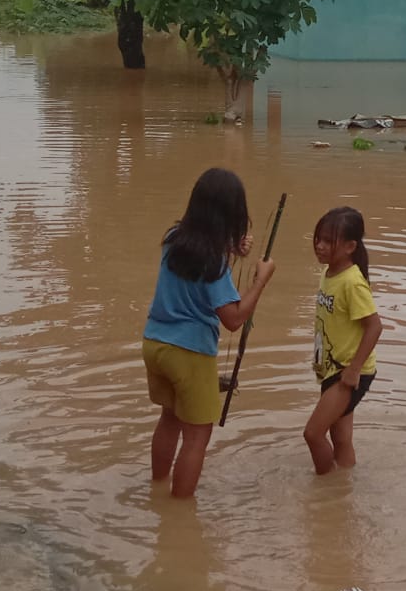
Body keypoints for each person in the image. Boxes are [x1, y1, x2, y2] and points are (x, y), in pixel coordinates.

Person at [143, 168, 275, 499]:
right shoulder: (214, 263)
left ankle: (157, 488)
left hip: (155, 344)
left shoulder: (173, 238)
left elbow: (197, 264)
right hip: (188, 353)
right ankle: (179, 512)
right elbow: (233, 319)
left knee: (169, 419)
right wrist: (261, 280)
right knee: (197, 436)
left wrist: (233, 249)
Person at [304, 207, 383, 476]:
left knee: (313, 434)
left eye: (328, 241)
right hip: (332, 369)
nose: (320, 246)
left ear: (350, 246)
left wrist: (352, 371)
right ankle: (344, 488)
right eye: (319, 239)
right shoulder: (329, 274)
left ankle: (326, 490)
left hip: (347, 372)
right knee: (340, 439)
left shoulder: (352, 282)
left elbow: (374, 326)